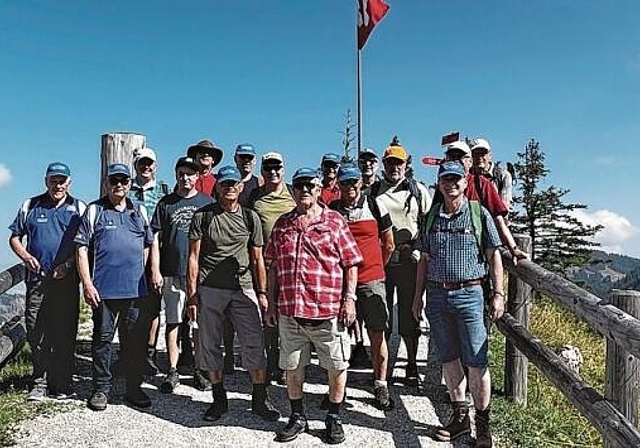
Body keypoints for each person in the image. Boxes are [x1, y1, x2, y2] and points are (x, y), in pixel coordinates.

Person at [265, 167, 363, 444]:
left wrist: (350, 299)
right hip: (291, 312)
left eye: (310, 185)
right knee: (292, 367)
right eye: (299, 186)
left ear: (319, 190)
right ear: (293, 190)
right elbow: (272, 265)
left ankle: (333, 417)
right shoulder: (283, 224)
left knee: (336, 367)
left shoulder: (335, 221)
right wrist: (271, 303)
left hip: (328, 311)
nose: (304, 190)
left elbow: (351, 263)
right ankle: (297, 417)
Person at [412, 161, 504, 448]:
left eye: (455, 179)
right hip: (437, 296)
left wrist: (498, 293)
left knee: (477, 361)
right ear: (439, 184)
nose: (450, 183)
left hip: (470, 295)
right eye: (445, 179)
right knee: (449, 358)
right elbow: (424, 261)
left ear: (464, 182)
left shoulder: (479, 214)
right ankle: (460, 418)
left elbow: (494, 255)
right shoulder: (430, 218)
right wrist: (417, 298)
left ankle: (484, 426)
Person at [187, 165, 280, 423]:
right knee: (210, 344)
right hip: (210, 288)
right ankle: (219, 399)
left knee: (254, 343)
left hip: (243, 287)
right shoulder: (203, 216)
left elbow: (258, 258)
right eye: (224, 183)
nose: (229, 187)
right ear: (217, 186)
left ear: (240, 187)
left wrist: (262, 292)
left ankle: (260, 398)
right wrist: (192, 295)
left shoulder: (250, 218)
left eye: (233, 184)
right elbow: (193, 258)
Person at [75, 163, 155, 411]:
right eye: (114, 180)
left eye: (124, 180)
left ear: (130, 184)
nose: (119, 185)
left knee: (134, 342)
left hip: (136, 290)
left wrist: (151, 273)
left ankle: (133, 388)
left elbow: (149, 243)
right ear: (107, 183)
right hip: (104, 291)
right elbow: (80, 248)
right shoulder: (94, 210)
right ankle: (101, 389)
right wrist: (87, 284)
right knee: (102, 340)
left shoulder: (139, 210)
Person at [8, 162, 85, 401]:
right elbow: (14, 238)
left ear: (69, 183)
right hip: (37, 281)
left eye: (62, 181)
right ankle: (39, 382)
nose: (58, 185)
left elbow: (85, 244)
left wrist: (68, 265)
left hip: (67, 282)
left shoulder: (79, 207)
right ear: (46, 181)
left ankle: (61, 382)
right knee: (36, 331)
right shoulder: (30, 205)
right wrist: (27, 257)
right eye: (54, 180)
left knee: (64, 332)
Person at [329, 164, 395, 410]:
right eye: (345, 183)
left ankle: (380, 384)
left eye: (354, 182)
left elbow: (389, 244)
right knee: (338, 335)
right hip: (341, 280)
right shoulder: (332, 210)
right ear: (339, 185)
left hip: (371, 278)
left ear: (361, 182)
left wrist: (377, 268)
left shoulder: (376, 205)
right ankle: (338, 387)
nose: (351, 187)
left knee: (377, 332)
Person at [149, 156, 213, 393]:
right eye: (181, 173)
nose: (185, 177)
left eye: (190, 173)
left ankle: (198, 369)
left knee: (197, 324)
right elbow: (155, 238)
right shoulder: (166, 204)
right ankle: (173, 370)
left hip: (199, 276)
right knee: (174, 322)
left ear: (198, 176)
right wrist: (155, 269)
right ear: (176, 175)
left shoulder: (207, 203)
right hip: (172, 272)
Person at [371, 141, 431, 384]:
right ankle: (382, 368)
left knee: (410, 313)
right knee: (381, 314)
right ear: (384, 165)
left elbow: (428, 223)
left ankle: (412, 364)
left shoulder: (418, 190)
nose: (394, 166)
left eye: (399, 162)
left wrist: (416, 246)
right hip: (382, 261)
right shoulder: (373, 192)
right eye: (390, 162)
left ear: (406, 165)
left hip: (408, 261)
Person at [247, 151, 296, 384]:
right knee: (267, 314)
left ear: (283, 169)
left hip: (289, 266)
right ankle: (270, 360)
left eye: (277, 167)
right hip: (263, 265)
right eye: (268, 168)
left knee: (287, 316)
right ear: (262, 171)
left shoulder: (293, 194)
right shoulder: (255, 196)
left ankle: (286, 364)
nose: (273, 172)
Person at [442, 141, 527, 262]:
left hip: (477, 254)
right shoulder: (444, 185)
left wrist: (513, 248)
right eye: (452, 157)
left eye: (460, 157)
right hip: (448, 254)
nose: (456, 161)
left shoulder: (483, 183)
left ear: (469, 161)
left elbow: (499, 220)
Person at [126, 146, 169, 375]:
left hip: (156, 256)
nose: (146, 166)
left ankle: (149, 354)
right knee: (129, 306)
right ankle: (129, 353)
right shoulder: (124, 187)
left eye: (149, 163)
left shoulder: (164, 191)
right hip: (129, 257)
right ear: (135, 165)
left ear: (155, 165)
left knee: (153, 307)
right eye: (142, 163)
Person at [470, 138, 513, 212]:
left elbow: (504, 205)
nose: (479, 157)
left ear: (489, 156)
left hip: (496, 218)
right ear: (471, 157)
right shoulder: (466, 175)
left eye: (483, 153)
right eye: (476, 154)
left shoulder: (503, 175)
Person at [234, 143, 263, 207]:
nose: (246, 160)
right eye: (242, 157)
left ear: (255, 161)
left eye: (250, 157)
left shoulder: (260, 184)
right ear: (235, 159)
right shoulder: (226, 183)